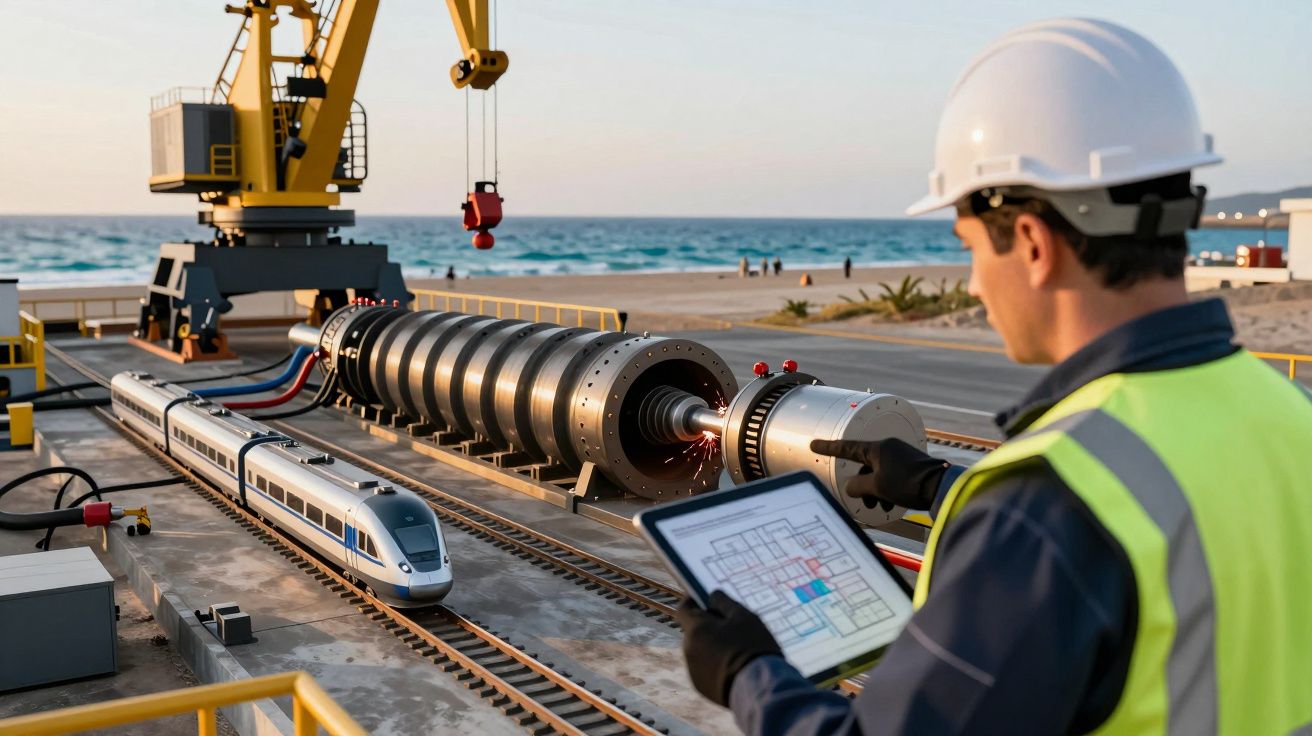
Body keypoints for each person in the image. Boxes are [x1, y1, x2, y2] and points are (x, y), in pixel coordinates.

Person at [676, 18, 1312, 735]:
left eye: (971, 248)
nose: (976, 285)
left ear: (1035, 244)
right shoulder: (1288, 411)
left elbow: (1068, 545)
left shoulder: (1048, 504)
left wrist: (749, 675)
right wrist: (934, 486)